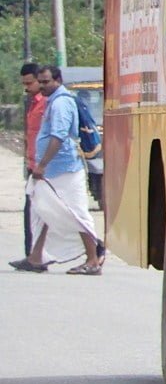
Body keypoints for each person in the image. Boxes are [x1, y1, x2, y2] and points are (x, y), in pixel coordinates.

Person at [10, 65, 105, 275]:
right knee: (43, 209)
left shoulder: (61, 103)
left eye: (46, 82)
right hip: (53, 170)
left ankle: (93, 259)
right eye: (41, 82)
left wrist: (42, 165)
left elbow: (59, 136)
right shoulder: (52, 101)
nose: (42, 86)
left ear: (58, 80)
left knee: (76, 213)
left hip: (64, 169)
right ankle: (36, 257)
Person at [19, 62, 44, 258]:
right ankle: (32, 255)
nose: (27, 88)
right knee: (32, 212)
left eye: (30, 83)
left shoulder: (46, 103)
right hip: (33, 166)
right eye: (24, 84)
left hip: (45, 167)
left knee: (61, 213)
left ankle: (95, 247)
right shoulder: (32, 103)